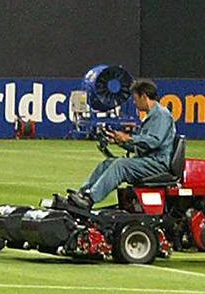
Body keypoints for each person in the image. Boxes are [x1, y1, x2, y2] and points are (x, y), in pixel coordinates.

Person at [66, 78, 176, 209]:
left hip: (157, 163)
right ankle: (83, 194)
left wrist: (127, 138)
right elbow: (140, 145)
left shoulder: (161, 115)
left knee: (121, 165)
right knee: (108, 162)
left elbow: (153, 142)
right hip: (147, 160)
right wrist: (118, 141)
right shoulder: (151, 116)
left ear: (144, 96)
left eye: (135, 99)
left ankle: (90, 199)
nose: (135, 103)